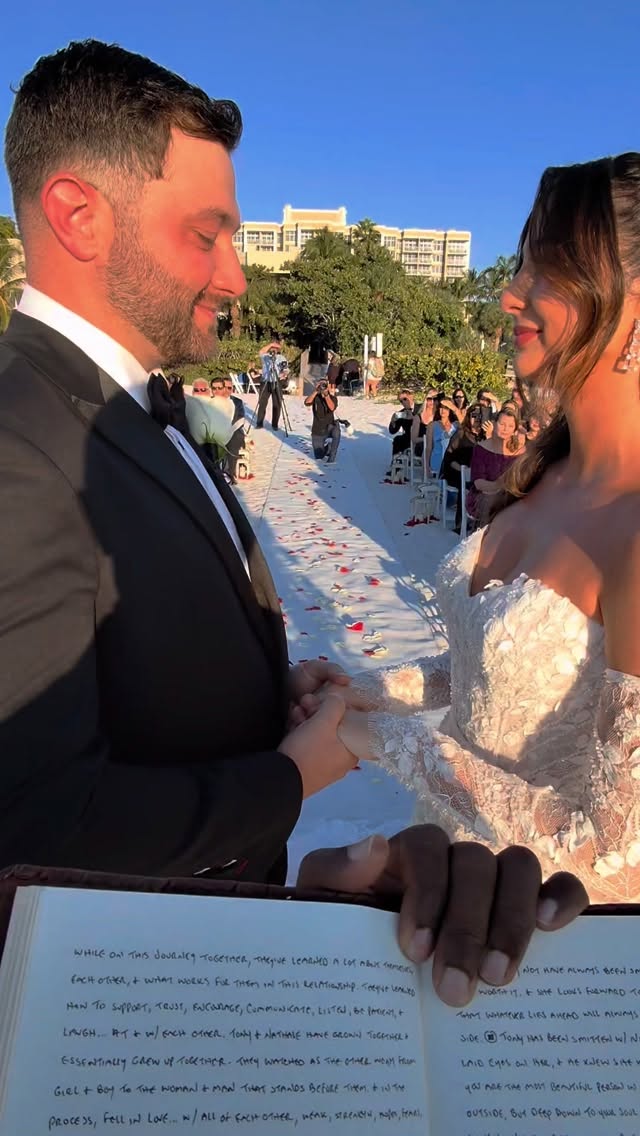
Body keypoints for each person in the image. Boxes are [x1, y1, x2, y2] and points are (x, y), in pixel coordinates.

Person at [0, 42, 590, 1008]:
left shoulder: (124, 412)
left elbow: (121, 648)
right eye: (208, 233)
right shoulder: (20, 443)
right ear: (78, 216)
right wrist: (287, 780)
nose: (236, 275)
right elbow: (30, 813)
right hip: (125, 997)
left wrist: (263, 689)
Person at [311, 152, 640, 906]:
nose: (508, 293)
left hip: (531, 940)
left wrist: (376, 739)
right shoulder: (547, 474)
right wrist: (356, 692)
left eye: (545, 269)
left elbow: (616, 856)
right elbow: (485, 673)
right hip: (436, 884)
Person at [466, 406, 522, 520]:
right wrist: (498, 486)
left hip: (511, 496)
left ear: (515, 430)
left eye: (510, 426)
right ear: (494, 424)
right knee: (494, 503)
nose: (505, 429)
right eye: (502, 424)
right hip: (484, 495)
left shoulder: (521, 451)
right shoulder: (481, 448)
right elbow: (478, 483)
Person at [440, 402, 485, 532]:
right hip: (457, 470)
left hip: (478, 473)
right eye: (473, 415)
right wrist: (462, 470)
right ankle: (461, 523)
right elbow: (449, 457)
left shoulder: (486, 436)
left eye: (479, 416)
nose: (476, 419)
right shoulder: (461, 433)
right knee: (464, 482)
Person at [210, 376, 247, 483]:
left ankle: (229, 473)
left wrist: (229, 431)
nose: (226, 391)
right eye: (224, 387)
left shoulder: (237, 402)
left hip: (234, 431)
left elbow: (240, 419)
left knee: (234, 439)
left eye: (229, 388)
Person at [305, 378, 341, 463]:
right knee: (319, 456)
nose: (322, 386)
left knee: (336, 431)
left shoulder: (332, 398)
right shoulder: (315, 397)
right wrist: (316, 391)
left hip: (329, 427)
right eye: (321, 384)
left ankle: (331, 458)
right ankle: (328, 448)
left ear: (328, 386)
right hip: (317, 429)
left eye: (324, 385)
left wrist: (326, 395)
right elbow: (307, 402)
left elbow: (332, 407)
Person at [424, 398, 458, 477]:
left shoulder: (456, 425)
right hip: (437, 459)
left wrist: (455, 409)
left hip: (452, 460)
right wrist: (426, 466)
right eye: (441, 407)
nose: (443, 410)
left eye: (446, 408)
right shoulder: (432, 425)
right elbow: (428, 448)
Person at [256, 341, 286, 429]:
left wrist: (283, 374)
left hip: (276, 381)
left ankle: (275, 424)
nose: (273, 350)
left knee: (277, 403)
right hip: (266, 381)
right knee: (262, 403)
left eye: (275, 349)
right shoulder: (265, 357)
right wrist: (271, 344)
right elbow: (261, 352)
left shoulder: (281, 358)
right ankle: (259, 423)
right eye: (272, 349)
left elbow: (285, 369)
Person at [388, 390, 415, 457]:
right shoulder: (402, 413)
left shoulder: (421, 408)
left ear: (411, 396)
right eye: (401, 401)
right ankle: (396, 462)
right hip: (408, 437)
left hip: (421, 435)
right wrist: (393, 421)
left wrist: (414, 418)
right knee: (397, 439)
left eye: (405, 399)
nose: (403, 402)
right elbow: (392, 431)